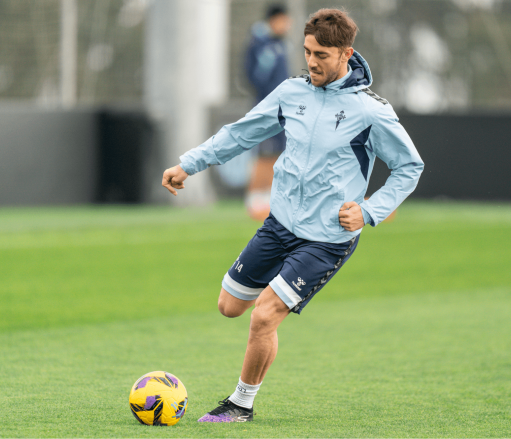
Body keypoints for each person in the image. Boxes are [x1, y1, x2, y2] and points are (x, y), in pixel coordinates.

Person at [162, 8, 424, 423]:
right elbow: (240, 133)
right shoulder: (291, 92)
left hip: (326, 240)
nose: (312, 61)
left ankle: (240, 405)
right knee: (229, 306)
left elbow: (410, 167)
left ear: (346, 53)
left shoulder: (370, 111)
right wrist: (189, 164)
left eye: (321, 54)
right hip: (279, 225)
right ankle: (273, 306)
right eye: (307, 52)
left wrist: (370, 211)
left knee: (264, 316)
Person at [243, 4, 291, 221]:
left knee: (278, 154)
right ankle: (253, 200)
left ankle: (267, 200)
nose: (287, 25)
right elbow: (254, 77)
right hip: (267, 108)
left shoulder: (278, 44)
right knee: (265, 154)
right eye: (284, 20)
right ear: (274, 20)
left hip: (282, 108)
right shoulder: (261, 44)